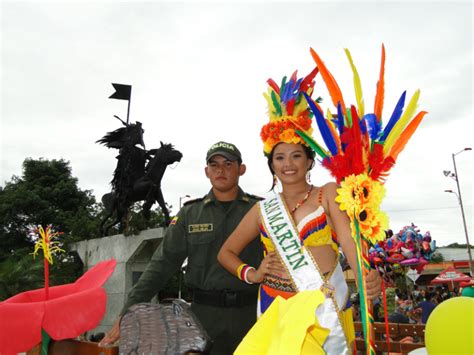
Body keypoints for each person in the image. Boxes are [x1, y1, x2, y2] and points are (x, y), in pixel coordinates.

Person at [217, 70, 381, 354]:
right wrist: (251, 274)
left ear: (308, 161)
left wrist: (365, 275)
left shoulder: (327, 193)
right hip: (275, 305)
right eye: (279, 157)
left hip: (323, 303)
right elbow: (225, 253)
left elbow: (347, 240)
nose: (288, 164)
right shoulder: (262, 210)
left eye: (296, 155)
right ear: (272, 165)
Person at [99, 141, 263, 354]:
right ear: (207, 171)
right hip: (204, 319)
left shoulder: (261, 210)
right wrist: (126, 312)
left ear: (241, 169)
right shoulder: (190, 214)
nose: (220, 170)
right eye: (214, 165)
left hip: (252, 315)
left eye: (228, 164)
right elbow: (162, 264)